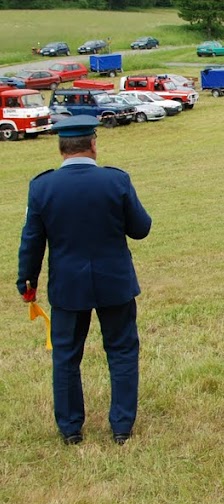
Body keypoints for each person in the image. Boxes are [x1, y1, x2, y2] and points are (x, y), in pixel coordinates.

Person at [17, 116, 152, 445]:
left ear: (61, 148)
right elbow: (141, 228)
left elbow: (31, 241)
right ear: (93, 144)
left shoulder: (42, 187)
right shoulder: (116, 181)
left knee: (65, 356)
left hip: (67, 285)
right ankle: (121, 427)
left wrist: (27, 282)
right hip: (114, 282)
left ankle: (70, 429)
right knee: (121, 351)